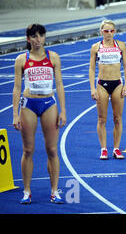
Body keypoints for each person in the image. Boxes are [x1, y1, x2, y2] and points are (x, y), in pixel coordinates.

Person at [12, 24, 67, 204]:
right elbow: (17, 88)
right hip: (28, 104)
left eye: (41, 36)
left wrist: (63, 111)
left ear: (44, 37)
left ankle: (54, 191)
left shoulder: (54, 57)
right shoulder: (21, 59)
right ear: (28, 39)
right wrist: (15, 114)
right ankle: (27, 190)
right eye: (34, 36)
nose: (38, 40)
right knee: (28, 150)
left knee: (52, 150)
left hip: (48, 104)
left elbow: (59, 85)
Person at [89, 20, 126, 160]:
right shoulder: (95, 47)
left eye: (111, 31)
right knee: (102, 119)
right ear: (101, 32)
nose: (109, 33)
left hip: (117, 84)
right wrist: (92, 88)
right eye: (106, 31)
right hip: (102, 85)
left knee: (118, 118)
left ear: (115, 32)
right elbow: (91, 68)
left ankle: (117, 149)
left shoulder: (121, 46)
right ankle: (104, 149)